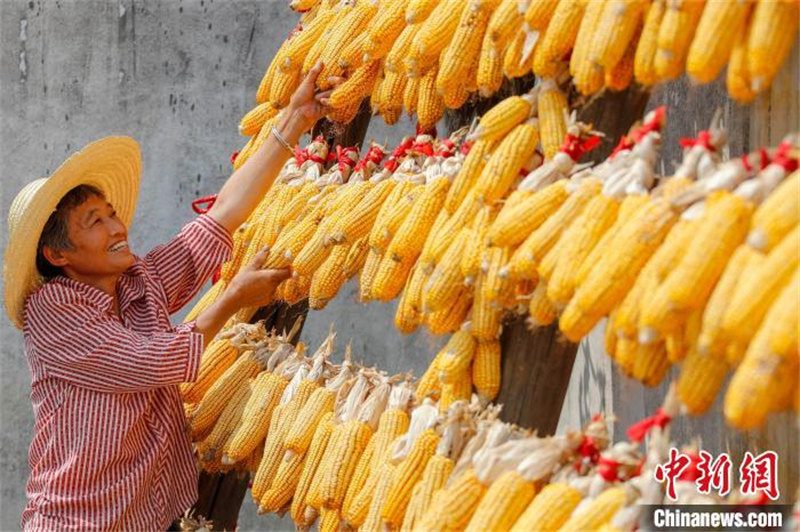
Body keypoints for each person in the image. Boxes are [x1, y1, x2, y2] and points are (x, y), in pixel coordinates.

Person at [4, 63, 334, 532]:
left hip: (149, 515)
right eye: (95, 222)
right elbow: (148, 362)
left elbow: (221, 217)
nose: (118, 228)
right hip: (79, 522)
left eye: (112, 214)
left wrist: (294, 121)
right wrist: (233, 297)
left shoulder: (140, 281)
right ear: (57, 253)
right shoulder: (52, 314)